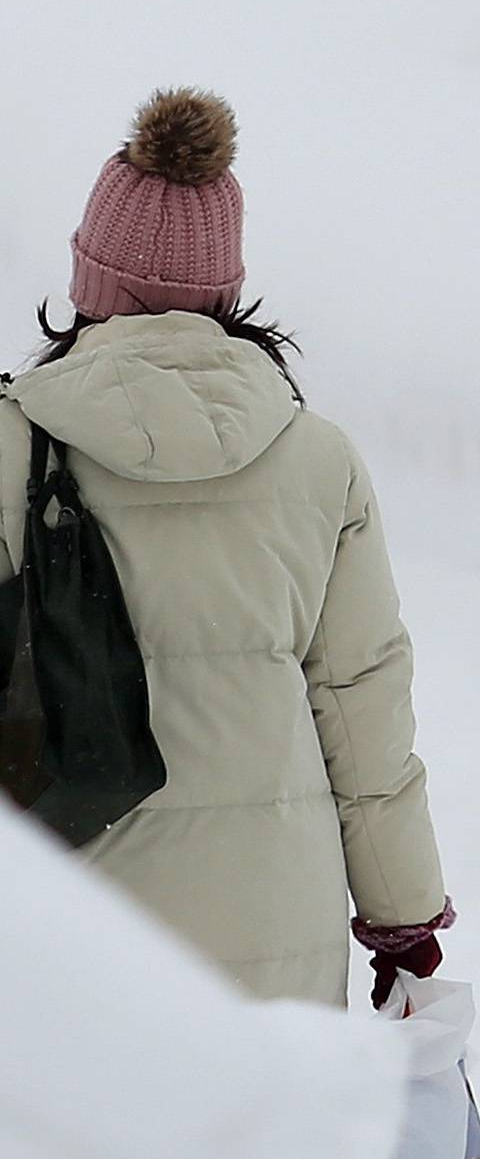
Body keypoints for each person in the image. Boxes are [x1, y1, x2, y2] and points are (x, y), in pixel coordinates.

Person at [0, 88, 451, 1009]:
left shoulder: (13, 449)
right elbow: (362, 703)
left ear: (91, 281)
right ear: (224, 288)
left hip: (65, 937)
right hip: (277, 933)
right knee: (259, 1156)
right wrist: (405, 918)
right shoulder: (316, 458)